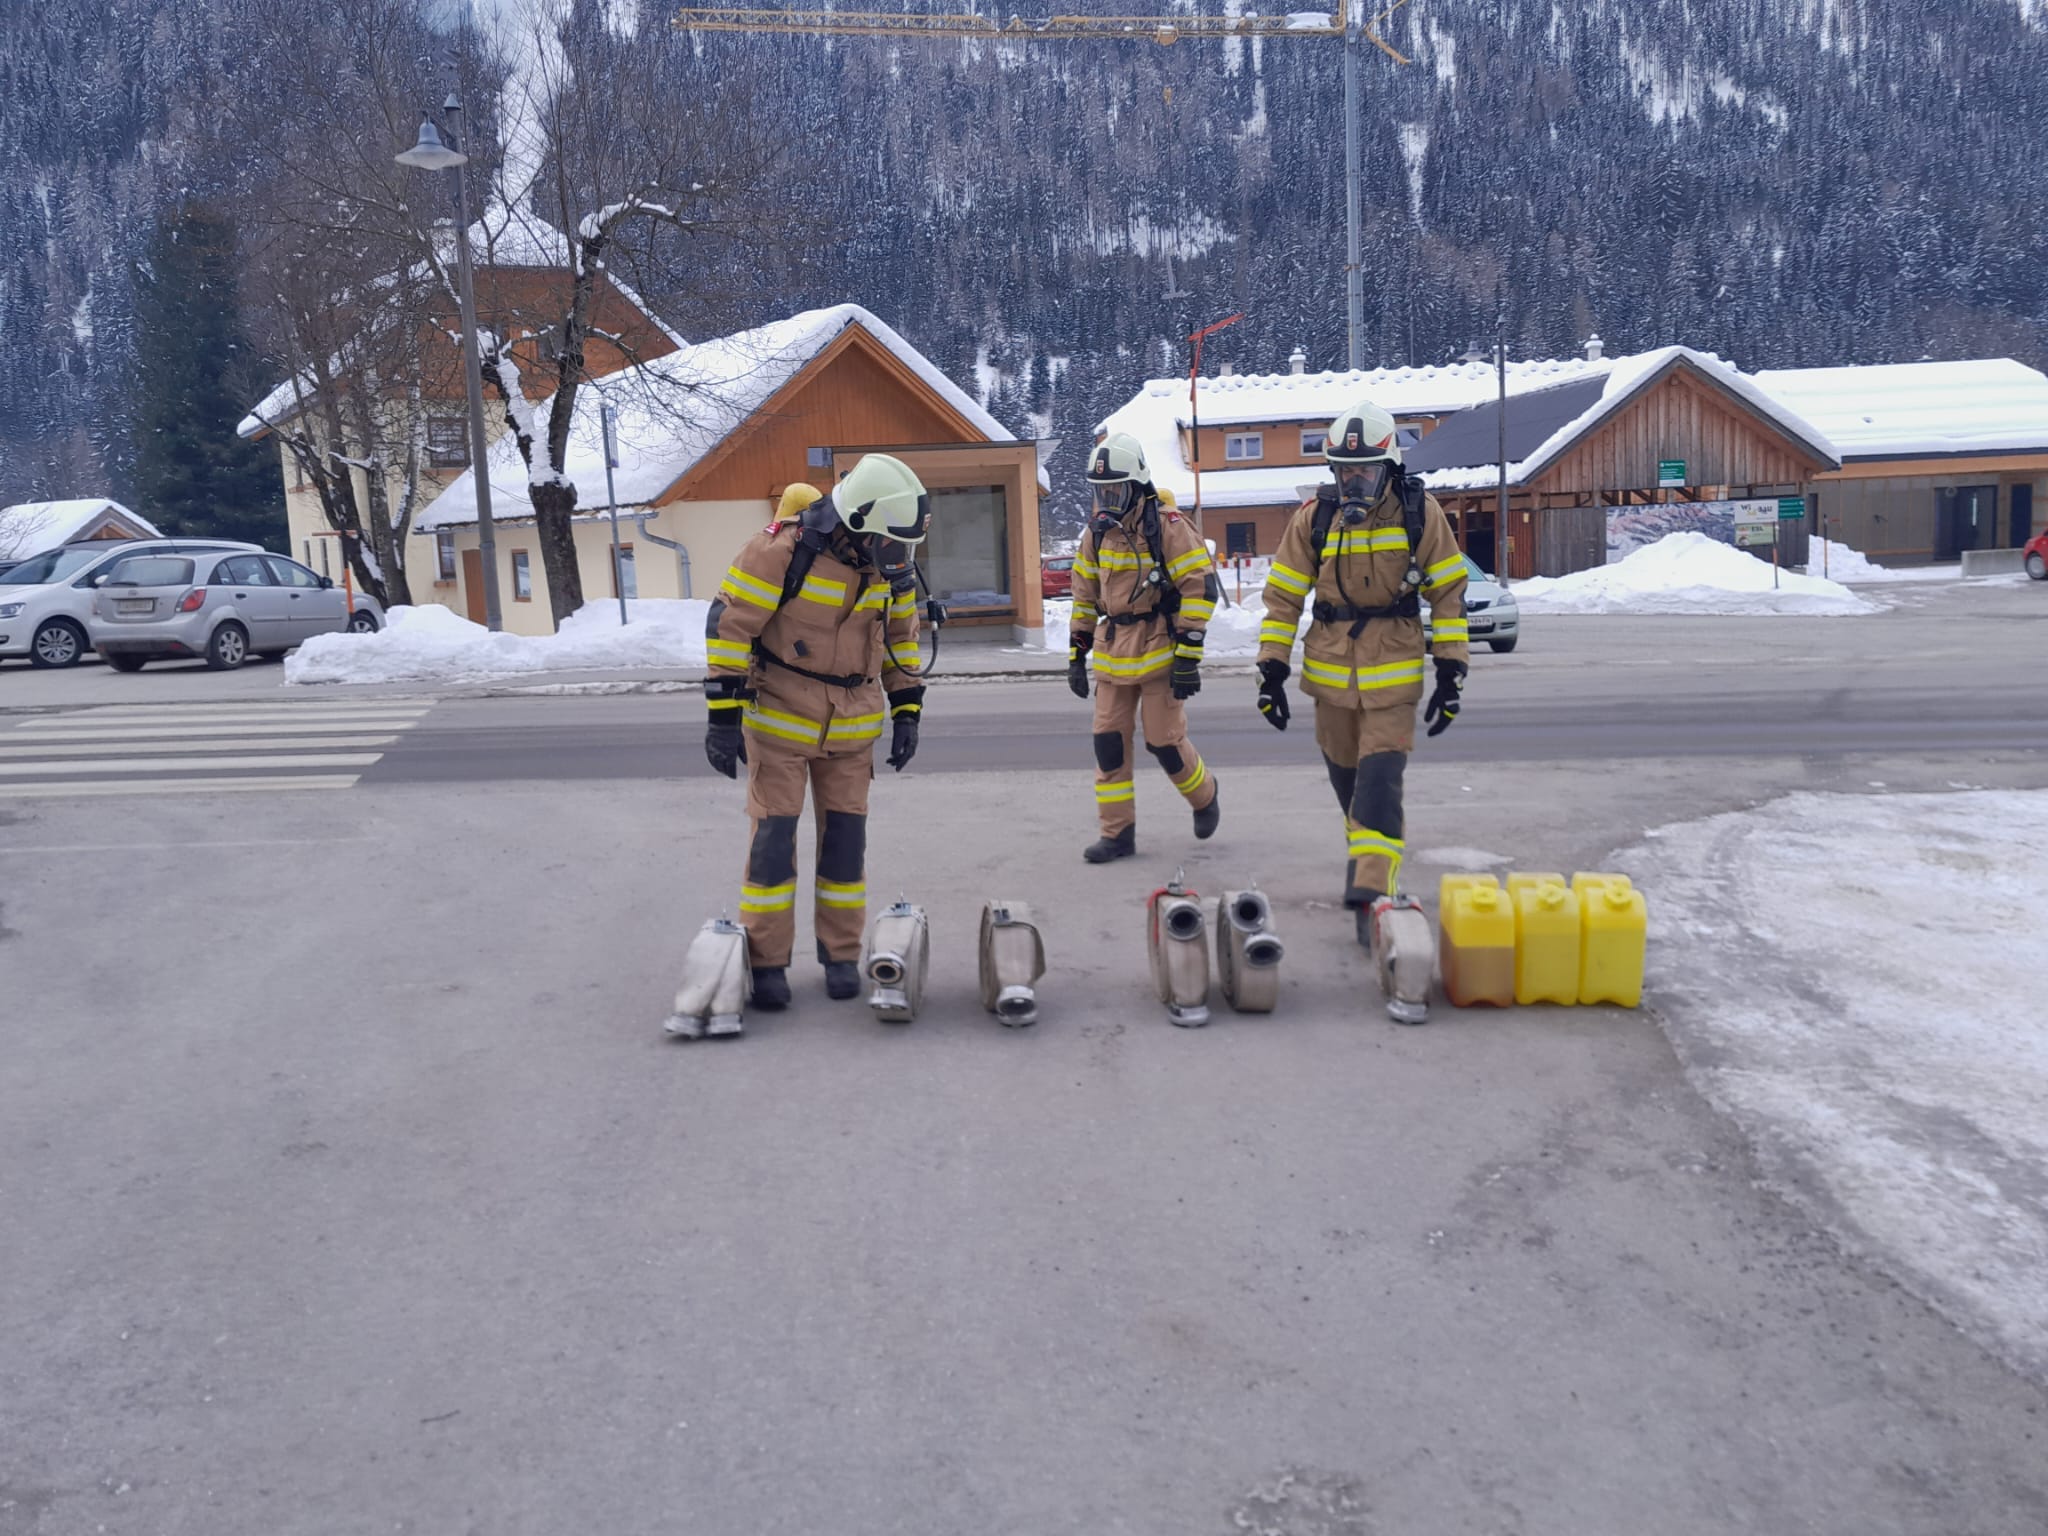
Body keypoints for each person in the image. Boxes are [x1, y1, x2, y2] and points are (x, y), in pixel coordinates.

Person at [702, 455, 930, 1008]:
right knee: (773, 847)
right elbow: (730, 627)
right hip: (779, 723)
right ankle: (767, 963)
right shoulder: (780, 552)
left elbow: (901, 639)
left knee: (845, 849)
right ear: (858, 522)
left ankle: (841, 956)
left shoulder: (889, 568)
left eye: (904, 547)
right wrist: (722, 717)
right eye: (890, 544)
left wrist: (907, 710)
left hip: (852, 730)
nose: (899, 558)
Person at [1251, 398, 1470, 948]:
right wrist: (1271, 669)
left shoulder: (1420, 514)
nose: (1353, 482)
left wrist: (1451, 671)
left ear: (1389, 467)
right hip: (1330, 677)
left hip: (1393, 670)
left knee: (1378, 784)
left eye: (1364, 471)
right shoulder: (1314, 519)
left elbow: (1449, 594)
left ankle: (1371, 894)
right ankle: (1368, 865)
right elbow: (1283, 598)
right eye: (1344, 471)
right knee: (1349, 787)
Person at [1067, 431, 1221, 863]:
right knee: (1108, 745)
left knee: (1164, 743)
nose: (1106, 501)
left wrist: (1188, 656)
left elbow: (1200, 588)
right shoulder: (1095, 536)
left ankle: (1205, 796)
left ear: (1136, 486)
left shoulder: (1168, 527)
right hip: (1114, 652)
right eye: (1101, 492)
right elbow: (1083, 597)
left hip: (1159, 650)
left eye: (1115, 491)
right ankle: (1117, 834)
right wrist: (1077, 653)